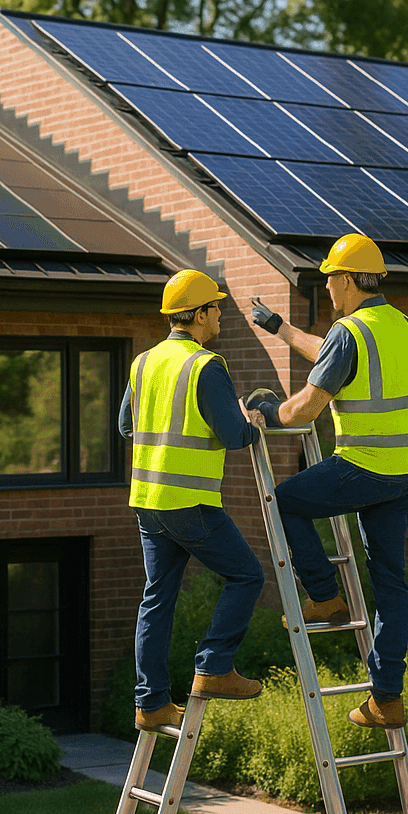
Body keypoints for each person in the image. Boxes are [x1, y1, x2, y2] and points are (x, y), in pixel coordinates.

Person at [249, 233, 408, 729]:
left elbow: (306, 408)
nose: (326, 288)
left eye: (328, 279)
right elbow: (331, 353)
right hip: (404, 472)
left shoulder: (351, 332)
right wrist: (281, 328)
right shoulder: (404, 326)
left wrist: (268, 412)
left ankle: (324, 595)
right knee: (391, 584)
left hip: (364, 465)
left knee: (284, 501)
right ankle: (386, 698)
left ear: (346, 280)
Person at [119, 268, 268, 731]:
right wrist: (253, 424)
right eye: (216, 307)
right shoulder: (206, 365)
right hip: (191, 504)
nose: (221, 314)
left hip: (148, 502)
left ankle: (151, 703)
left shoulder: (143, 362)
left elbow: (126, 426)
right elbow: (234, 435)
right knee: (247, 576)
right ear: (199, 315)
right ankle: (215, 666)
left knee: (156, 599)